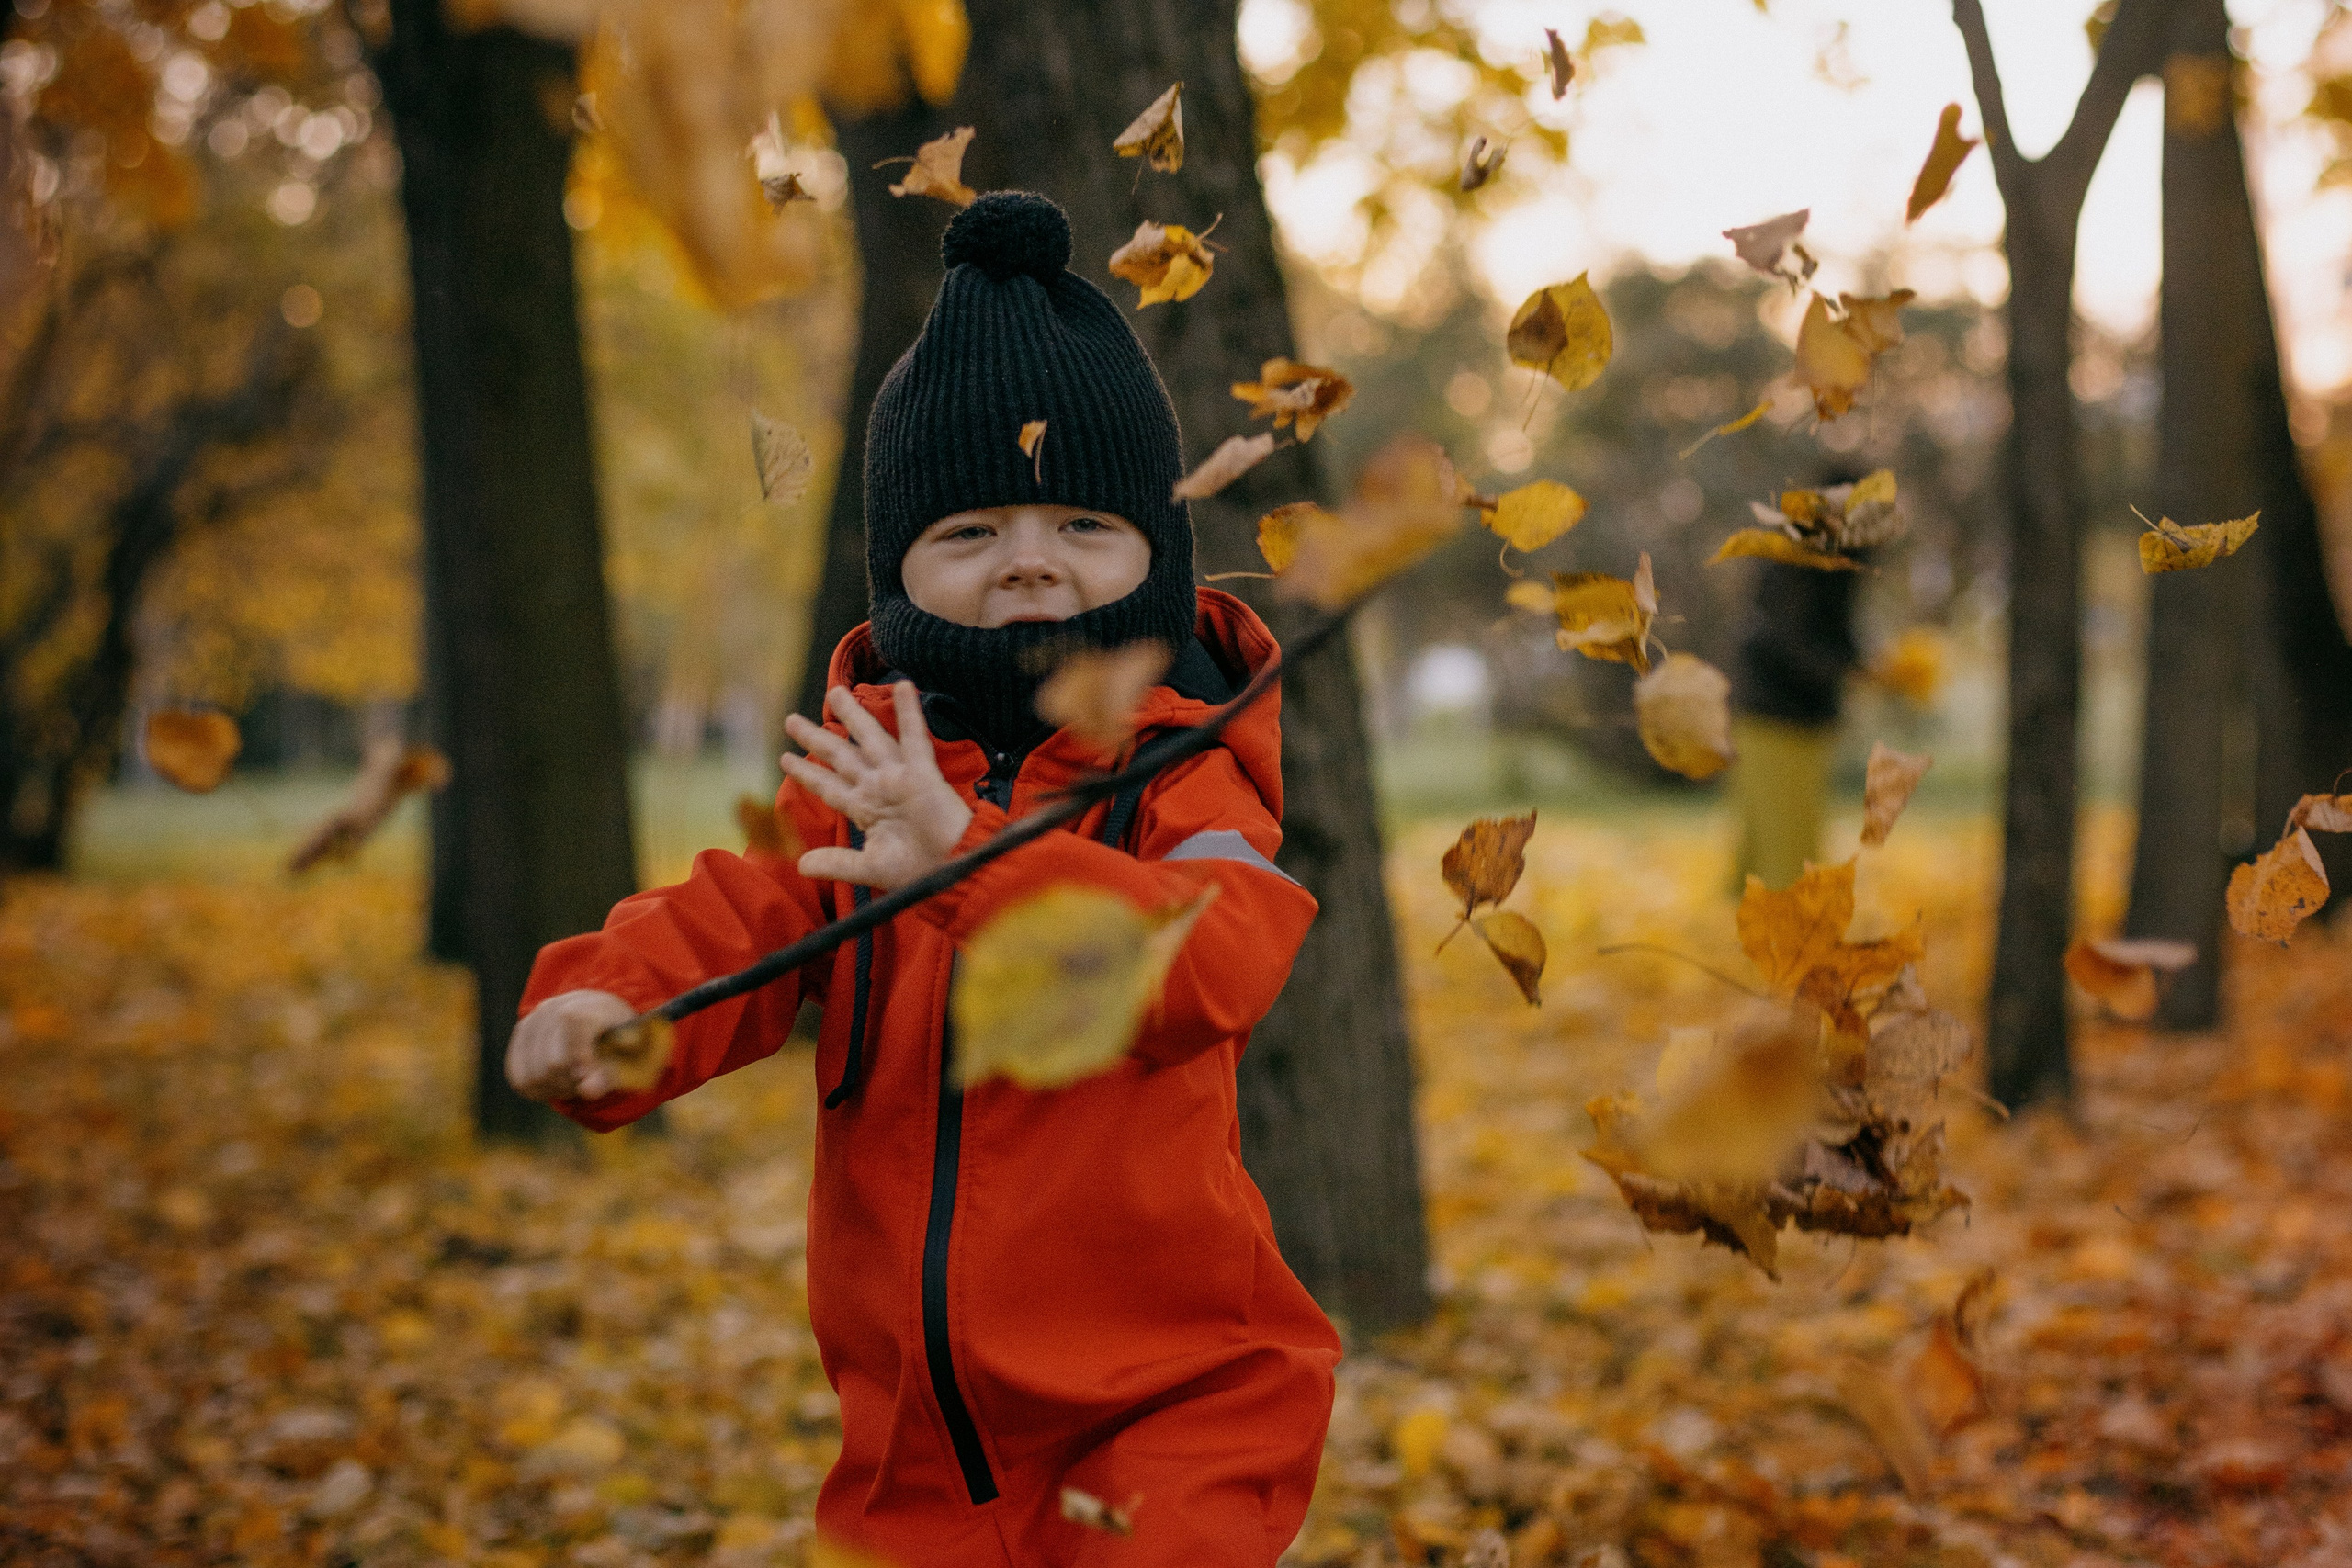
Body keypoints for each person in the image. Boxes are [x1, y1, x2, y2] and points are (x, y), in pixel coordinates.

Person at [503, 192, 1340, 1567]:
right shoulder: (863, 765)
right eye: (970, 531)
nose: (1027, 559)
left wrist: (964, 857)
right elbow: (743, 915)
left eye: (1079, 520)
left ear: (1155, 553)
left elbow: (1216, 958)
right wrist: (608, 1002)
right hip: (916, 1438)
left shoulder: (1186, 775)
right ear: (898, 568)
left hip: (1179, 1400)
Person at [1724, 490, 1867, 893]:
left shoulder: (1812, 561)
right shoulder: (1802, 566)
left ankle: (1757, 946)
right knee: (1785, 859)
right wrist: (1851, 667)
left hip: (1777, 718)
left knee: (1771, 854)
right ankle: (1777, 948)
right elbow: (1793, 640)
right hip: (1780, 720)